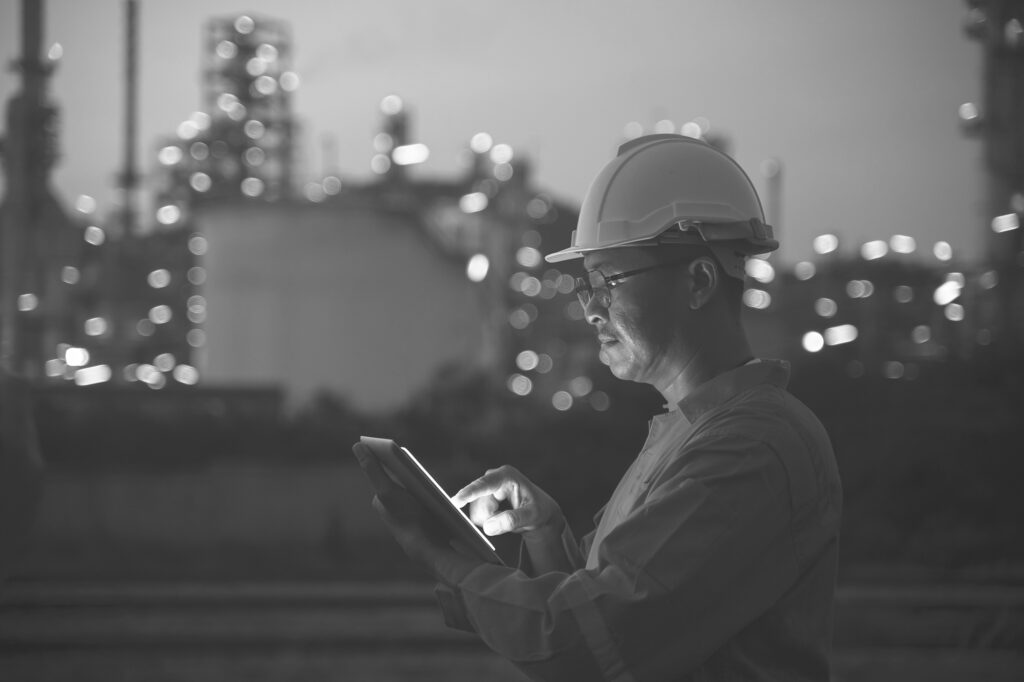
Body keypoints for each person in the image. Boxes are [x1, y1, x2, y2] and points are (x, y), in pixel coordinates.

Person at [354, 133, 843, 681]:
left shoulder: (749, 449)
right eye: (587, 285)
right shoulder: (692, 433)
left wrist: (442, 557)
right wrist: (546, 532)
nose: (590, 309)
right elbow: (617, 604)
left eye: (608, 280)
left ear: (700, 280)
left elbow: (586, 643)